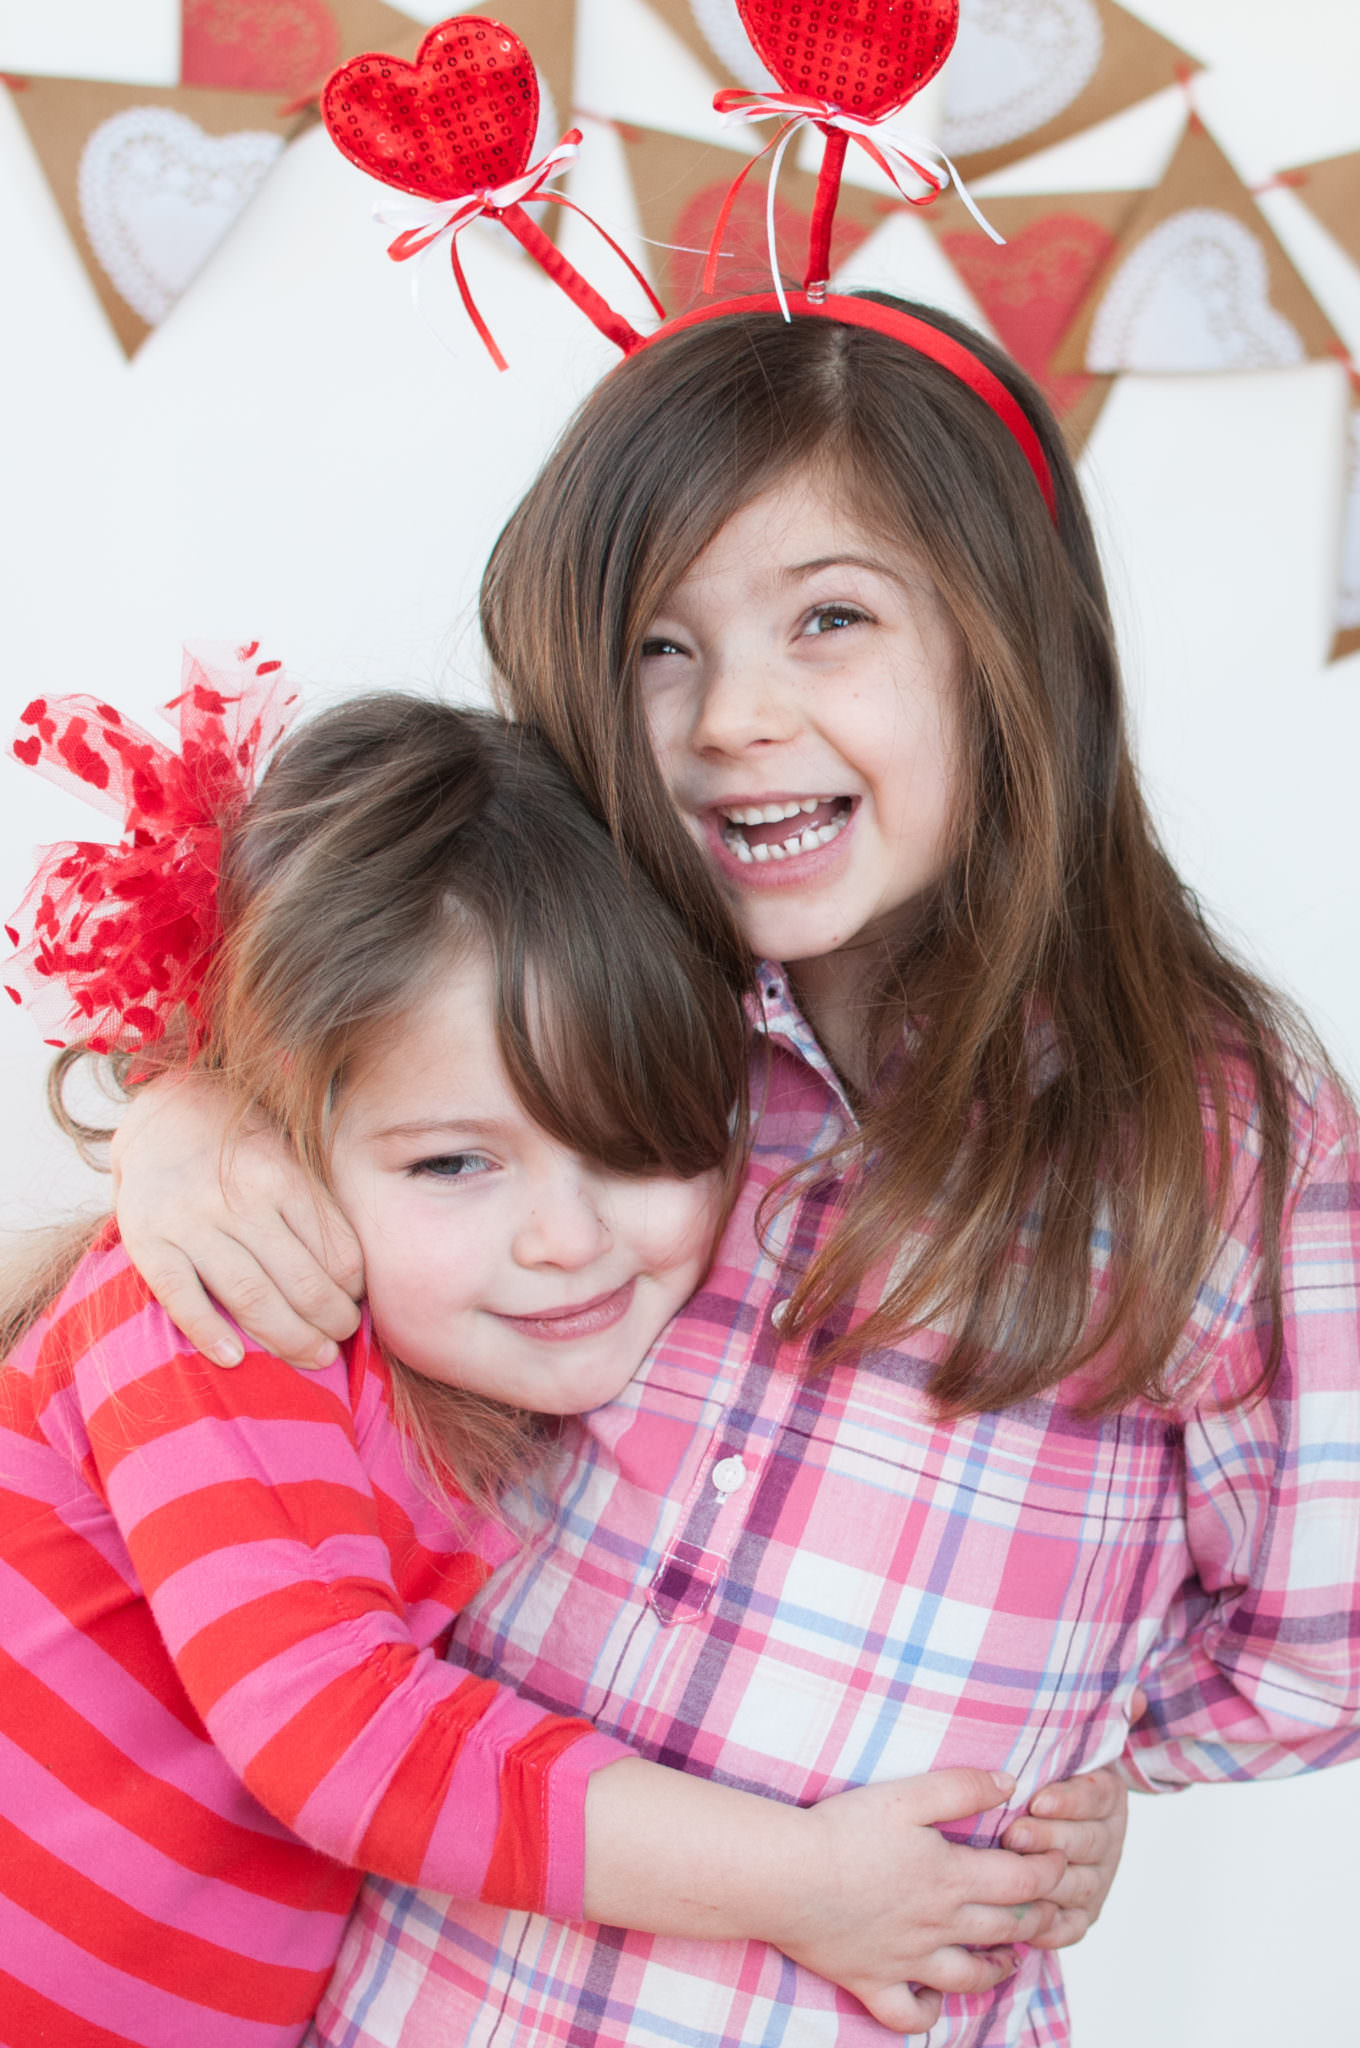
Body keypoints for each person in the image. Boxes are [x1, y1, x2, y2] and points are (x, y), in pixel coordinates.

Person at [102, 289, 1360, 2048]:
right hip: (437, 1987)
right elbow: (342, 1139)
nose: (732, 719)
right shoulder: (588, 991)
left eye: (828, 618)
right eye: (657, 646)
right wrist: (185, 1119)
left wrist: (1081, 1748)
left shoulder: (1218, 1126)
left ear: (1014, 644)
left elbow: (1322, 1621)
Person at [3, 688, 1098, 2048]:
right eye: (455, 1162)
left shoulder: (517, 1376)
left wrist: (1043, 1801)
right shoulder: (214, 1313)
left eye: (637, 1142)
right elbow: (342, 1736)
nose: (566, 1241)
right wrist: (806, 1886)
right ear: (277, 1125)